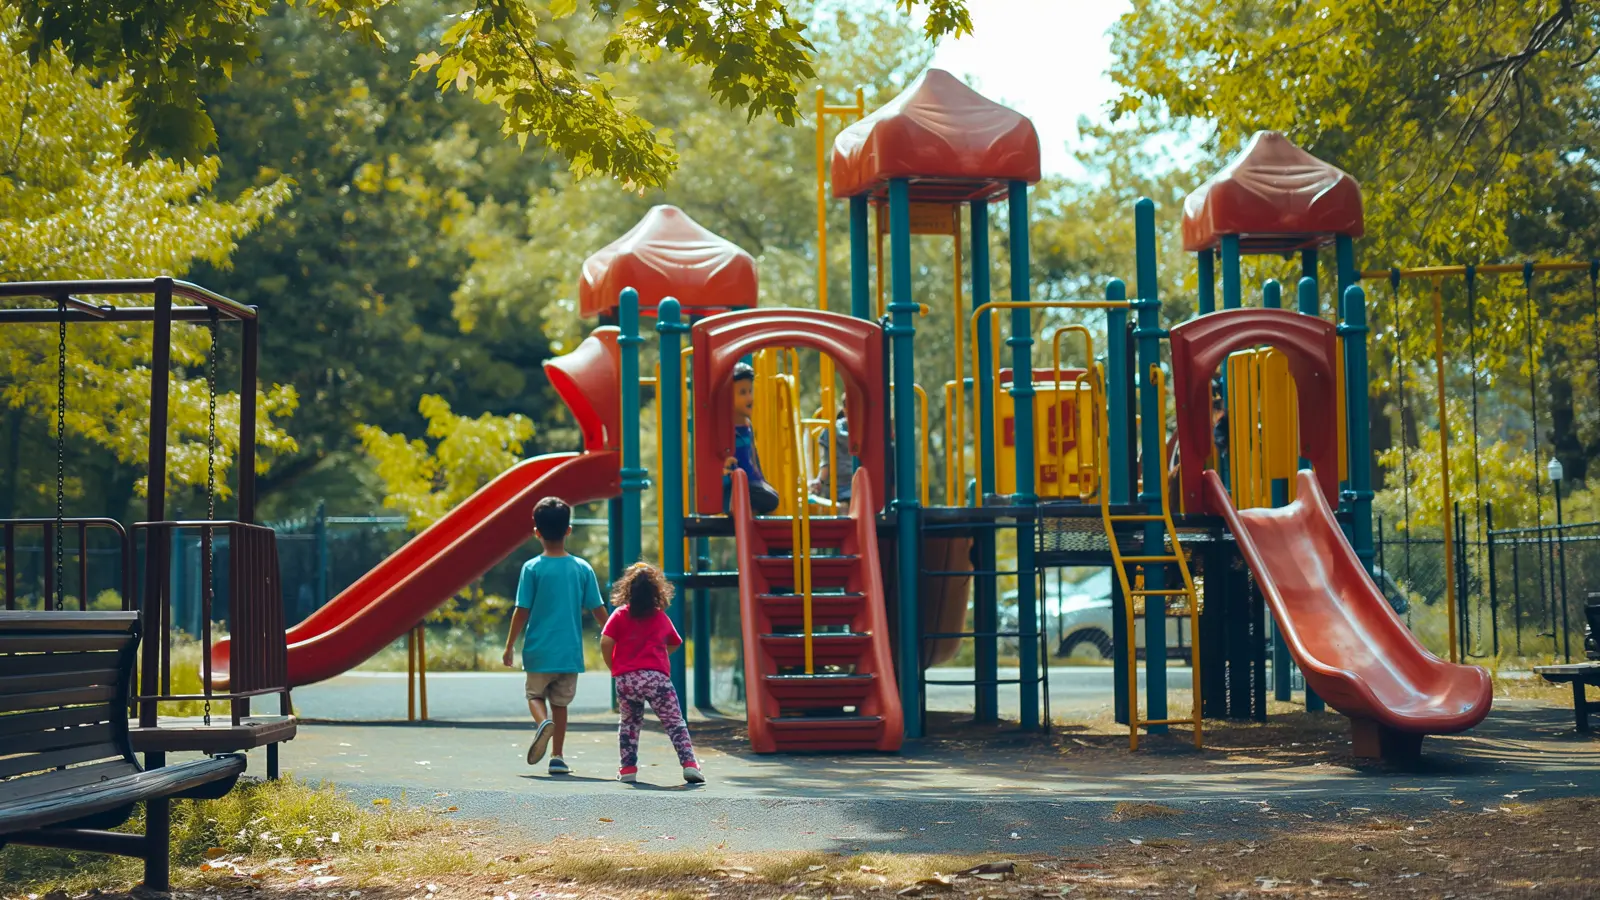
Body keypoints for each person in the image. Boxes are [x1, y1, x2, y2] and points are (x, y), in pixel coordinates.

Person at [501, 496, 606, 776]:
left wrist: (510, 645)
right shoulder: (582, 568)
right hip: (569, 652)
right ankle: (557, 756)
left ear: (536, 532)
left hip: (538, 650)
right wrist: (612, 636)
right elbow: (598, 609)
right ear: (568, 530)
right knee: (561, 704)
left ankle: (541, 723)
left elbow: (521, 610)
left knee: (535, 695)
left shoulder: (532, 568)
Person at [601, 563, 704, 785]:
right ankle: (689, 765)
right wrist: (658, 653)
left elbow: (606, 641)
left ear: (627, 589)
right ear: (658, 591)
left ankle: (628, 768)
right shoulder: (659, 617)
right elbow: (676, 642)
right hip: (656, 679)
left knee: (629, 723)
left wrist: (614, 667)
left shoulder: (620, 615)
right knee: (674, 721)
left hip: (627, 679)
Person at [722, 361, 781, 515]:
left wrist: (763, 481)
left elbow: (754, 461)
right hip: (734, 487)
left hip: (751, 485)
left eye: (750, 391)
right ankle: (737, 505)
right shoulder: (726, 428)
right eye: (742, 393)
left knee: (771, 496)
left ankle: (750, 510)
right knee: (765, 497)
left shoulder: (748, 425)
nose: (749, 398)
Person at [810, 404, 854, 505]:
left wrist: (819, 480)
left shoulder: (830, 431)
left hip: (837, 490)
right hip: (860, 487)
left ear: (844, 410)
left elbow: (826, 463)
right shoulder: (868, 431)